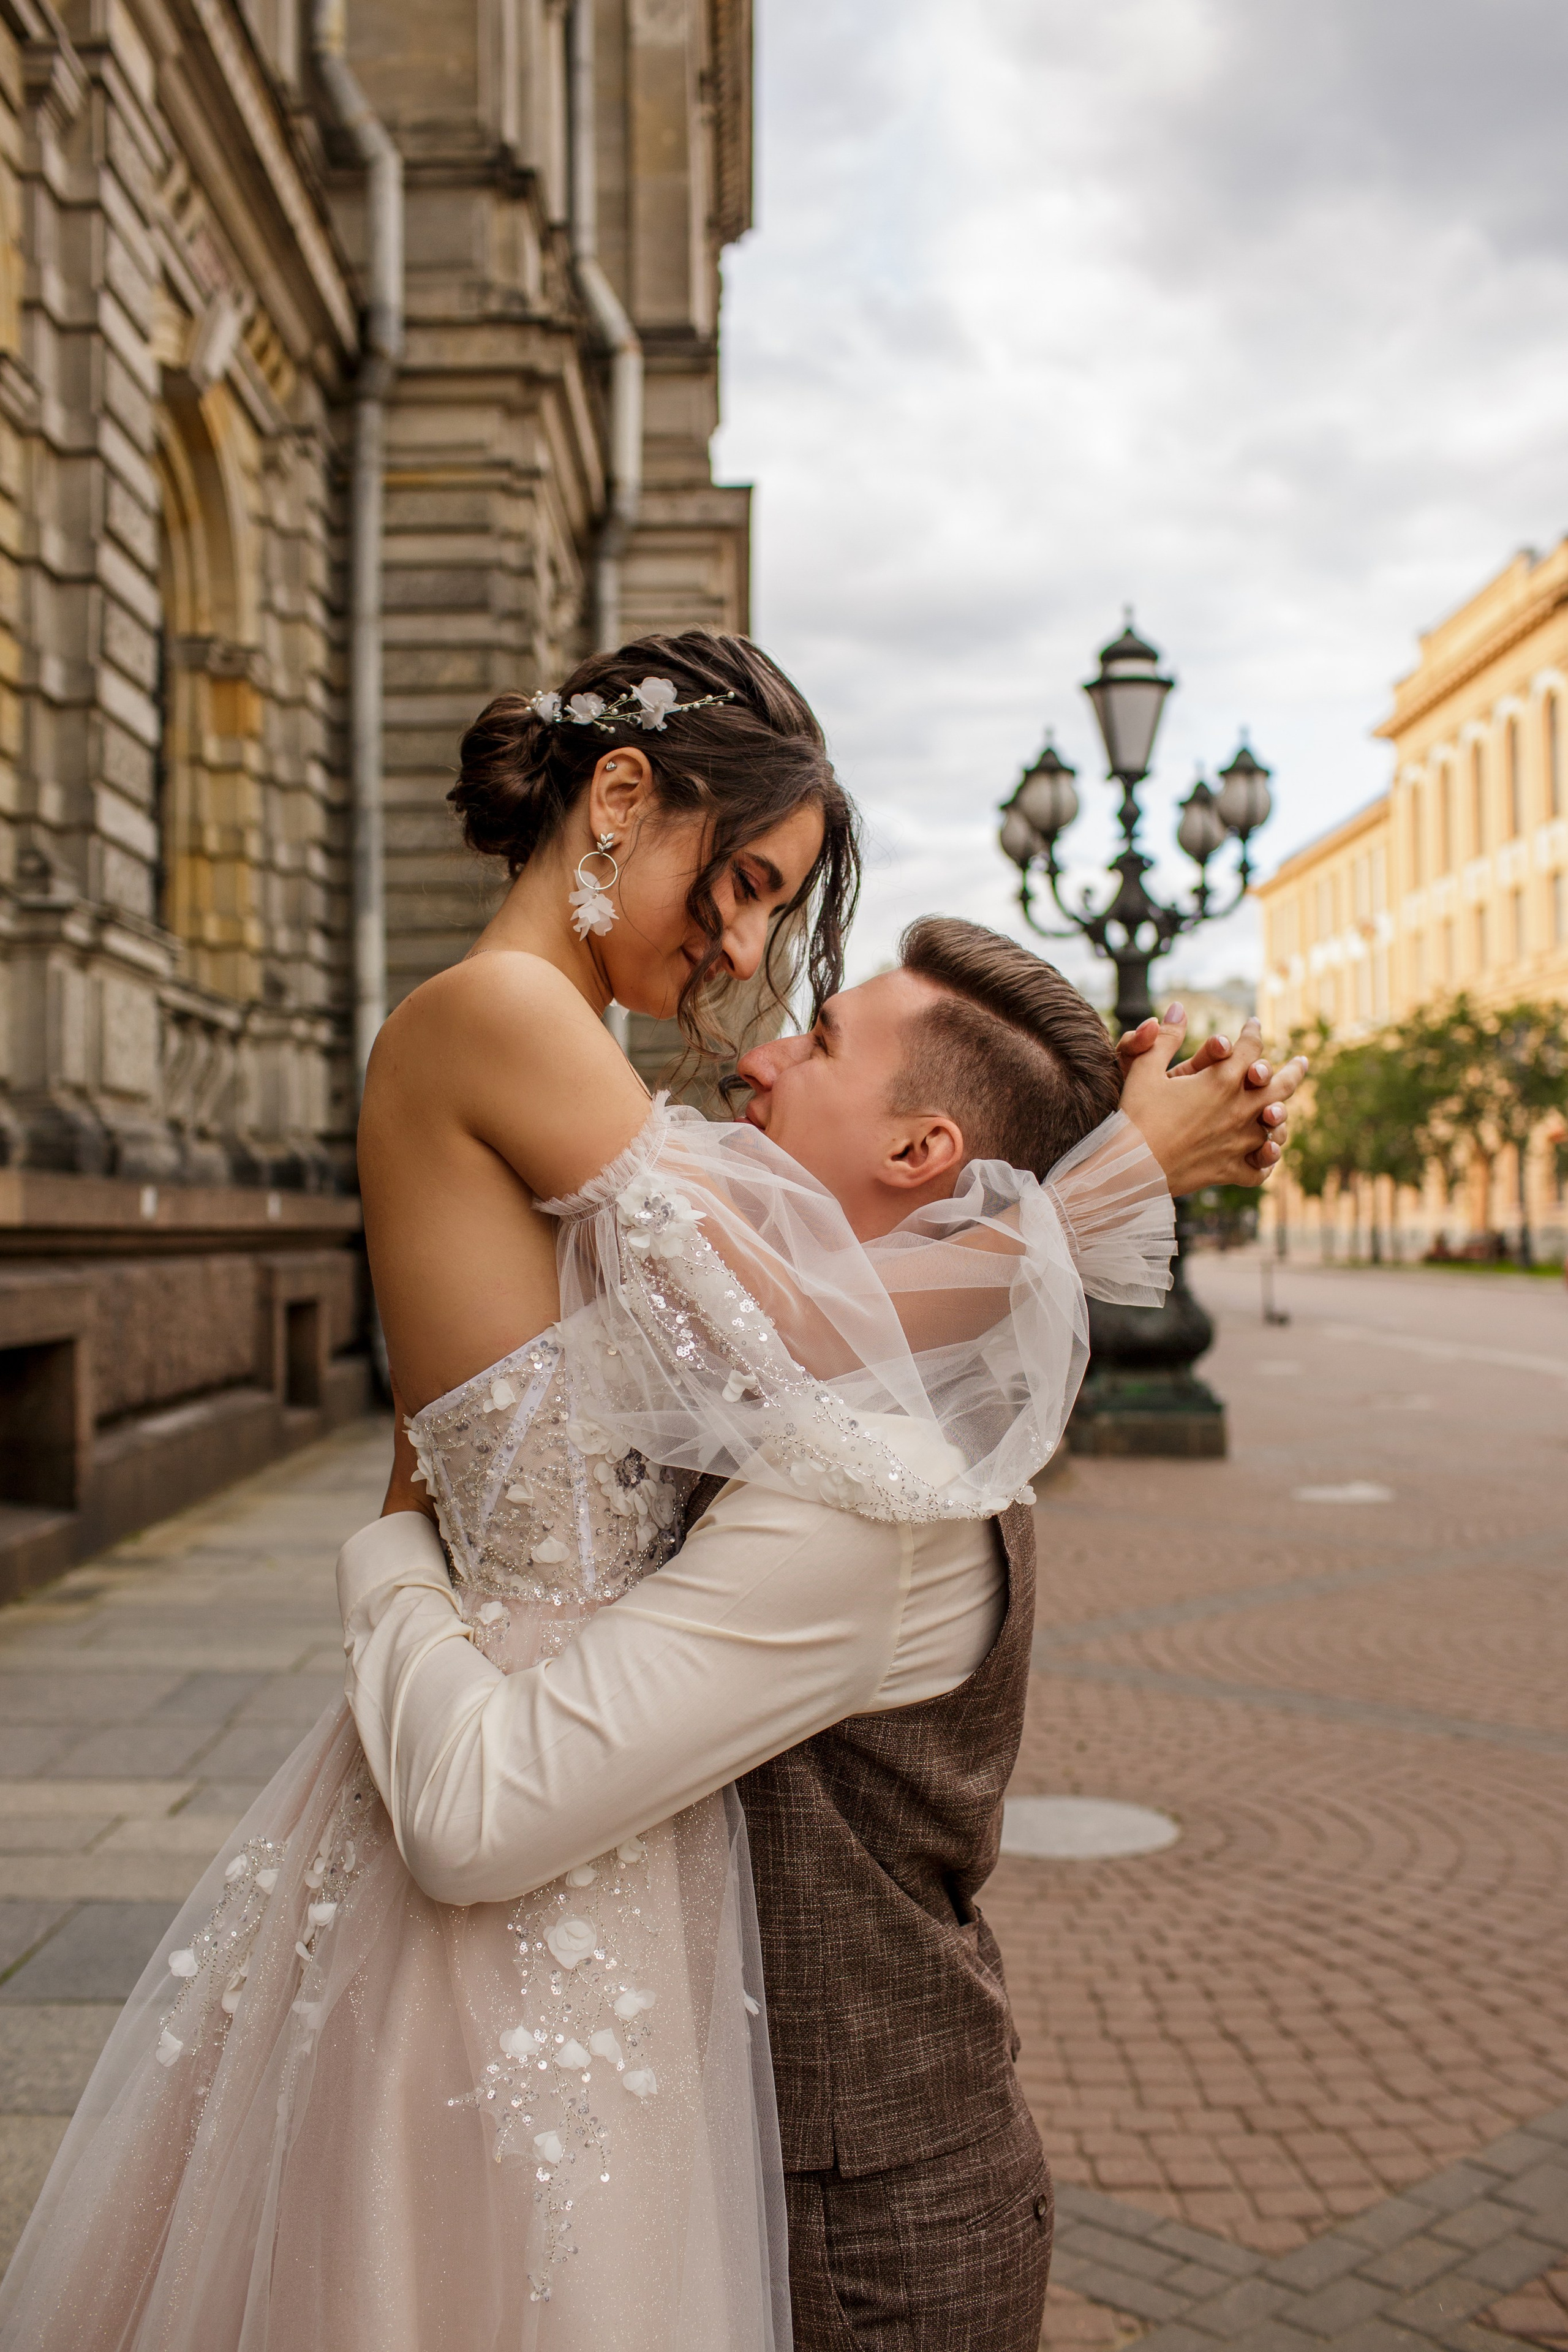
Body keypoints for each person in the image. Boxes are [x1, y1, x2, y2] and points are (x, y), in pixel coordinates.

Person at [0, 630, 1296, 2352]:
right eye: (745, 882)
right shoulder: (506, 1014)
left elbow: (783, 1308)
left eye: (777, 912)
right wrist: (1119, 1184)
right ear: (621, 799)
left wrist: (1079, 1159)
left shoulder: (569, 1064)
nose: (745, 951)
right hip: (516, 1775)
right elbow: (774, 1322)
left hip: (568, 1784)